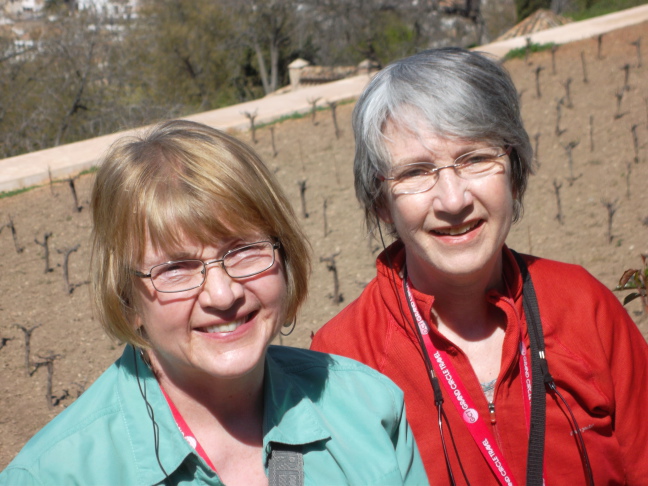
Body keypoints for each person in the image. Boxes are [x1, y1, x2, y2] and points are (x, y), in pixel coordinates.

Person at [0, 120, 427, 486]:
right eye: (175, 269)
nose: (223, 295)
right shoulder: (55, 475)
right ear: (127, 299)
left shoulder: (370, 410)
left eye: (244, 250)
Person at [311, 47, 648, 485]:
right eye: (415, 172)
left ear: (514, 169)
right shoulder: (339, 359)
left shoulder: (584, 307)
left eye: (474, 158)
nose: (453, 200)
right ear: (381, 204)